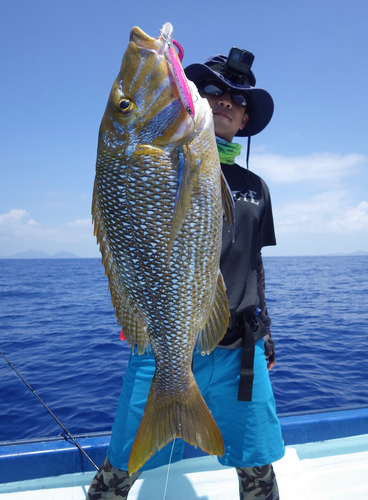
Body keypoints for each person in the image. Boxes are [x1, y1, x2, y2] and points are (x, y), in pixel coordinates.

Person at [86, 49, 285, 500]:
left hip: (241, 351)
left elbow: (254, 261)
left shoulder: (257, 188)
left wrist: (267, 329)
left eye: (237, 98)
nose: (225, 101)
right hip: (165, 345)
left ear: (246, 119)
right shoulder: (167, 162)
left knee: (258, 470)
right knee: (119, 469)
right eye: (212, 90)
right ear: (192, 97)